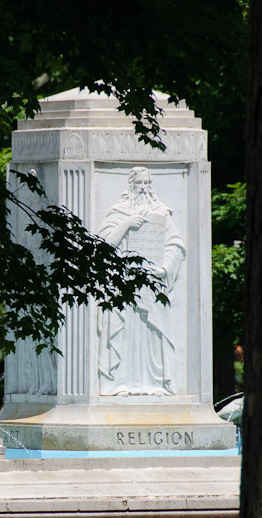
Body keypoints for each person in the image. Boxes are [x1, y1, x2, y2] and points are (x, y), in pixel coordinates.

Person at [96, 166, 186, 396]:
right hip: (123, 285)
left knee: (152, 335)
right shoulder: (118, 213)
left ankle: (155, 384)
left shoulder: (161, 213)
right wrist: (126, 224)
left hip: (152, 286)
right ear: (131, 186)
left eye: (147, 184)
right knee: (123, 332)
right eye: (139, 184)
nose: (144, 189)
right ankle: (118, 383)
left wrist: (164, 267)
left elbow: (175, 245)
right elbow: (102, 246)